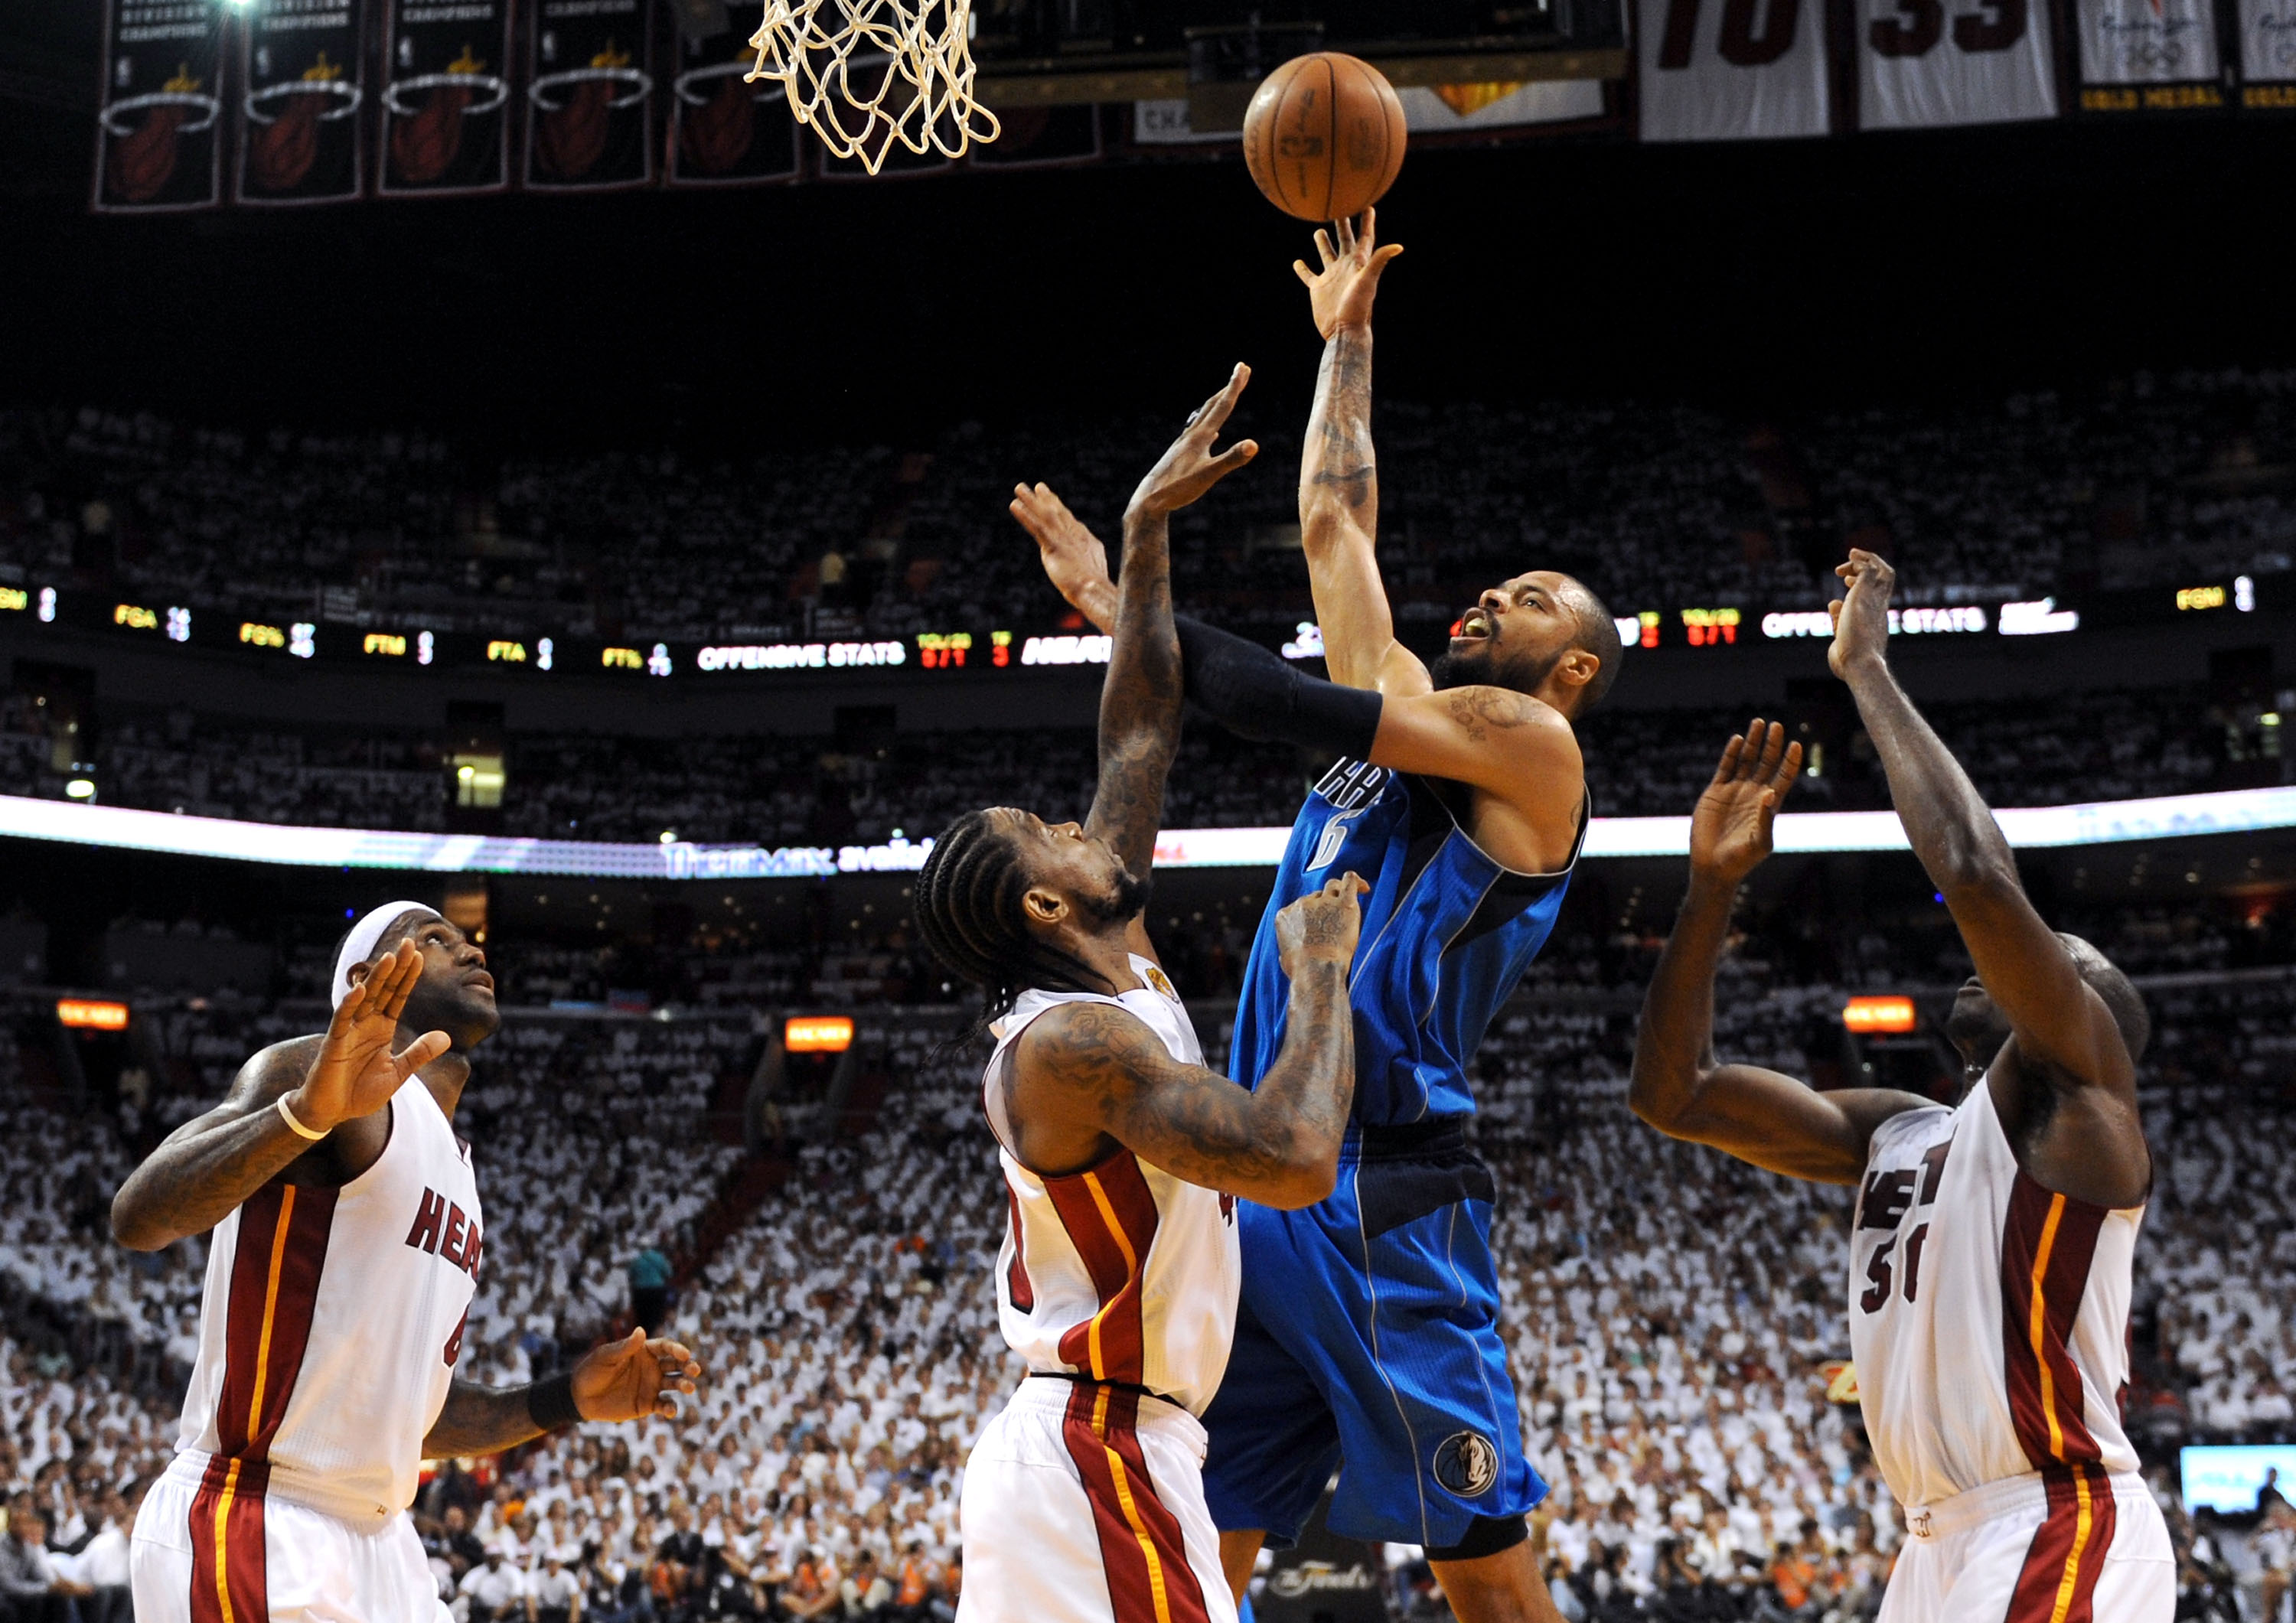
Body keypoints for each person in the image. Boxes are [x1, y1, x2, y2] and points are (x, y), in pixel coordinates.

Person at [1013, 212, 1619, 1623]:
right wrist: (1345, 335)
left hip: (1391, 1200)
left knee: (1484, 1564)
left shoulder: (1532, 749)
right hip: (1263, 1168)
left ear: (1574, 664)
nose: (1489, 595)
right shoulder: (1404, 725)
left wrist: (1131, 585)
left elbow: (1269, 695)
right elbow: (1335, 523)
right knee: (1206, 1529)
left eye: (1526, 599)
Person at [1628, 550, 2177, 1623]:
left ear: (2089, 1016)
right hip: (1930, 1544)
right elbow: (1674, 1095)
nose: (2020, 953)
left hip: (2059, 1519)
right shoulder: (1902, 1130)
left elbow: (1976, 877)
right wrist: (1707, 894)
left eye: (2059, 956)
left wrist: (1867, 670)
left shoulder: (2084, 1100)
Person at [918, 368, 1363, 1623]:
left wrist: (1144, 539)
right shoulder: (1075, 1043)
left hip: (1111, 1452)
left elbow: (1139, 731)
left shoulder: (1109, 957)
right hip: (1092, 1459)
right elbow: (1291, 1154)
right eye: (1053, 830)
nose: (1082, 820)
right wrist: (1319, 972)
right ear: (1045, 909)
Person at [110, 902, 704, 1623]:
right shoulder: (310, 1072)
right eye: (435, 939)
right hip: (260, 1517)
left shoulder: (458, 1171)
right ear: (367, 977)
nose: (470, 948)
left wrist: (566, 1398)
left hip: (383, 1538)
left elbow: (408, 1418)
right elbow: (138, 1216)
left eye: (466, 937)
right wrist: (304, 1112)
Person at [1, 1509, 90, 1623]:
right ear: (9, 1525)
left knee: (58, 1597)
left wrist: (60, 1587)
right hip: (5, 1594)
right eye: (18, 1523)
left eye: (26, 1523)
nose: (23, 1528)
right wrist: (47, 1589)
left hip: (24, 1591)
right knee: (8, 1608)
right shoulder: (2, 1546)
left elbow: (40, 1574)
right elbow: (9, 1587)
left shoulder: (28, 1547)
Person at [461, 1546, 527, 1623]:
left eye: (496, 1557)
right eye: (491, 1558)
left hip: (509, 1611)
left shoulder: (512, 1571)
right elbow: (464, 1590)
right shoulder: (478, 1571)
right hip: (485, 1610)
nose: (494, 1560)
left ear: (501, 1558)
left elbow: (517, 1595)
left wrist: (502, 1610)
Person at [628, 1247, 673, 1337]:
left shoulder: (637, 1260)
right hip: (657, 1291)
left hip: (641, 1293)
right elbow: (668, 1273)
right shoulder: (659, 1258)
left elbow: (630, 1276)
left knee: (642, 1321)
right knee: (657, 1318)